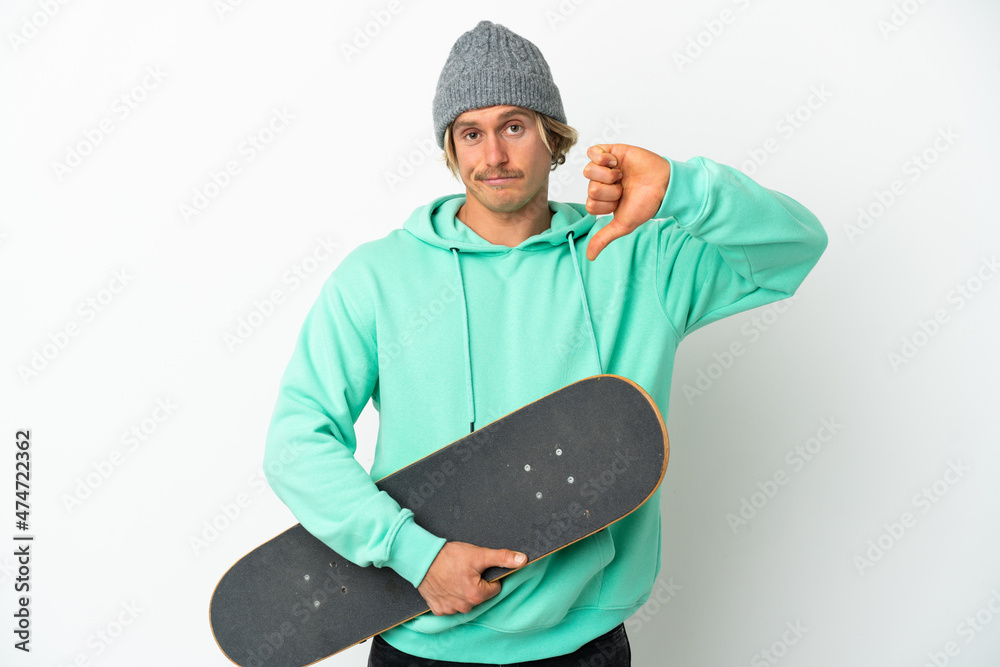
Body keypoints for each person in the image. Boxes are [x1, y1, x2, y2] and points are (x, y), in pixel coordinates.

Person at [263, 19, 828, 666]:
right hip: (424, 637)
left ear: (552, 138)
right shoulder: (377, 277)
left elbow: (795, 249)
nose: (493, 156)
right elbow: (296, 442)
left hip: (584, 644)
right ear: (450, 148)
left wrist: (682, 186)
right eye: (470, 133)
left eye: (513, 126)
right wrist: (413, 554)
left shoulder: (635, 258)